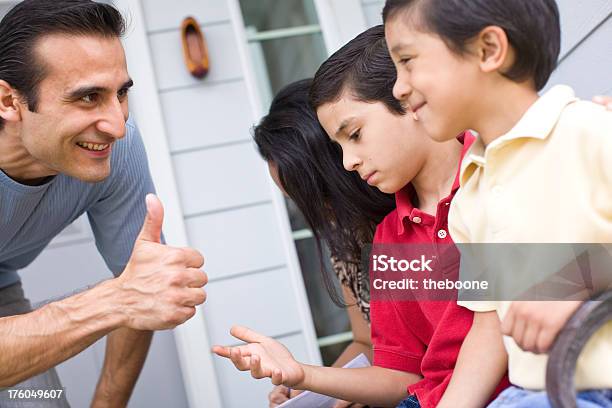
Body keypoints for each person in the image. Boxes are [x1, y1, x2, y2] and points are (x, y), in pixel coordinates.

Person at [213, 25, 508, 408]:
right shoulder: (390, 238)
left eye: (353, 135)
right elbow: (401, 372)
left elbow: (503, 325)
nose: (349, 162)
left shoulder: (497, 173)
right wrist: (304, 376)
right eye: (339, 146)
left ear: (409, 100)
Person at [383, 0, 612, 406]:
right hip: (534, 394)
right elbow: (487, 328)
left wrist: (571, 280)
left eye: (408, 60)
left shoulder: (590, 131)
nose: (398, 87)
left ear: (489, 49)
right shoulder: (469, 193)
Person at [0, 1, 207, 406]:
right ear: (9, 102)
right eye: (88, 97)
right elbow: (131, 294)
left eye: (121, 93)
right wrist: (116, 300)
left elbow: (137, 278)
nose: (117, 124)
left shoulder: (119, 150)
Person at [253, 78, 395, 407]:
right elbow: (367, 343)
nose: (321, 213)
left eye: (314, 195)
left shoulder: (415, 219)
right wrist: (308, 392)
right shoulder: (345, 237)